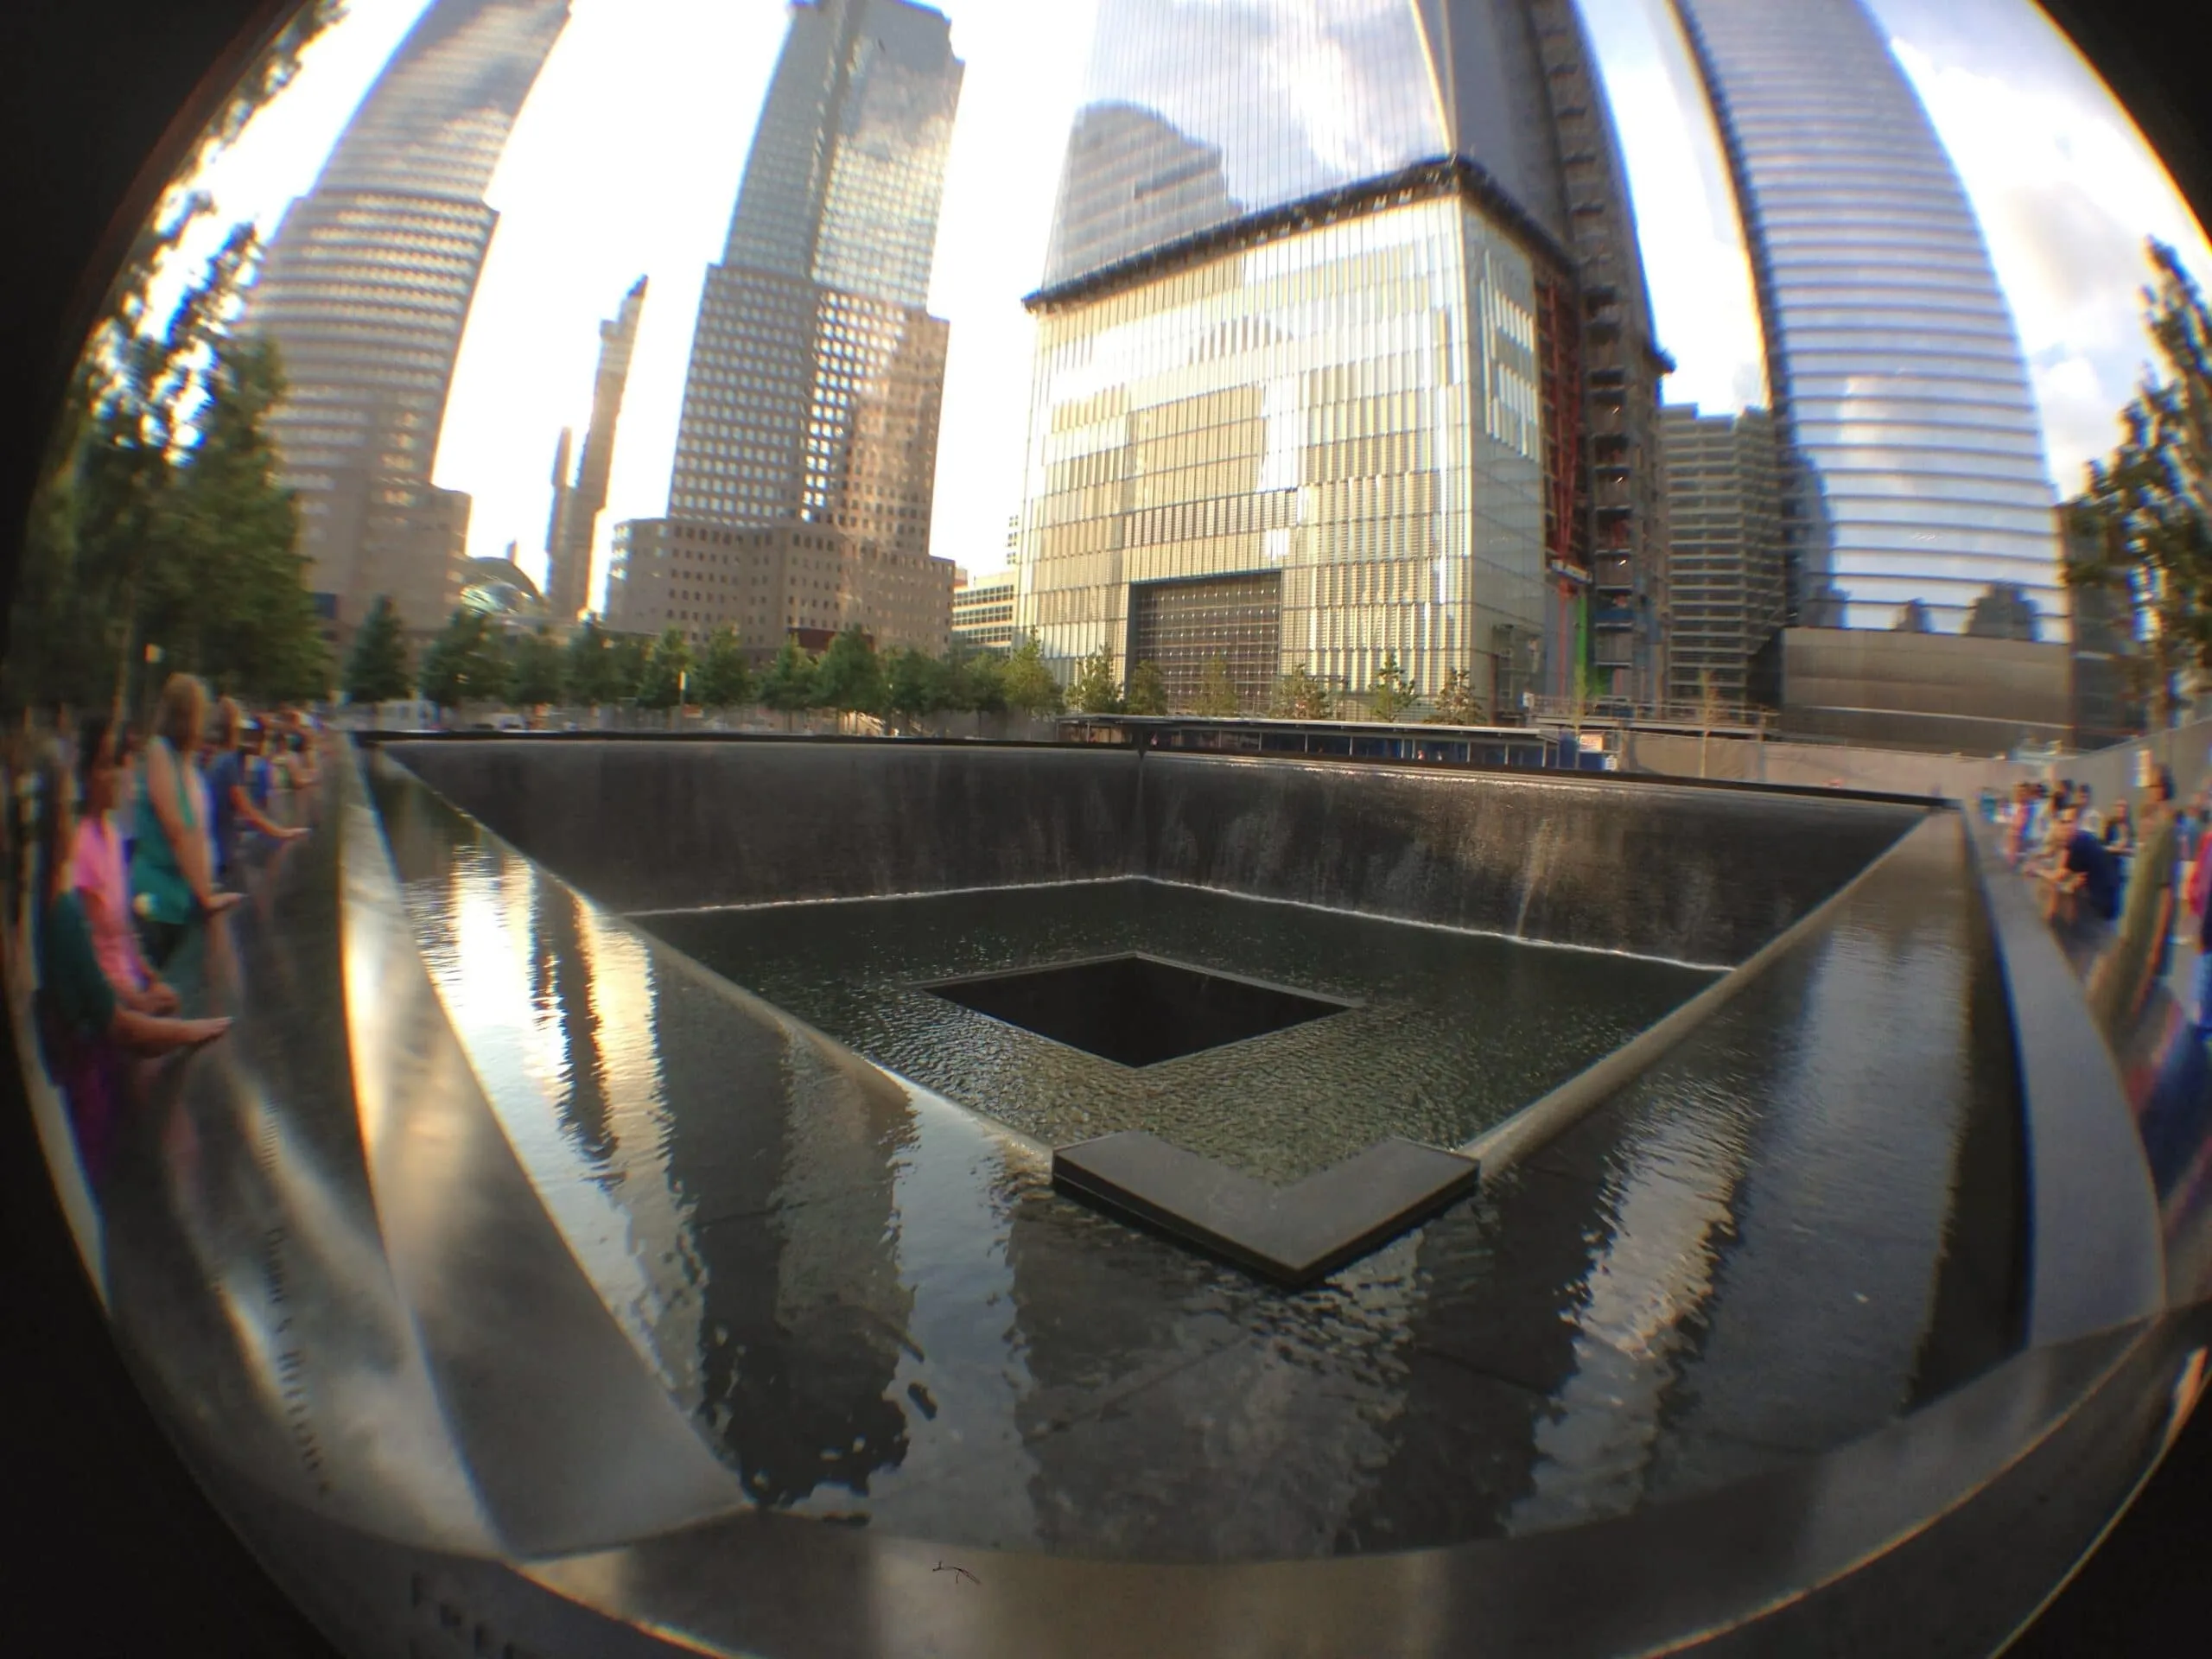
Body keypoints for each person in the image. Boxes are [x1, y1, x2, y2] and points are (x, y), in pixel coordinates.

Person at [32, 761, 232, 1187]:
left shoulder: (42, 911)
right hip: (90, 1084)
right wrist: (191, 1031)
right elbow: (121, 1027)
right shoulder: (62, 914)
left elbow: (122, 929)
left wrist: (148, 976)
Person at [71, 715, 180, 1016]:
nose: (118, 775)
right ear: (87, 777)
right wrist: (136, 1001)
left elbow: (125, 929)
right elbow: (89, 957)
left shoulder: (113, 835)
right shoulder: (81, 851)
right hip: (111, 1007)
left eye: (118, 764)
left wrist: (150, 975)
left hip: (133, 989)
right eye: (107, 765)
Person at [130, 673, 237, 967]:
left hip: (182, 895)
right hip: (158, 898)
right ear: (188, 713)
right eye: (202, 712)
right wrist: (206, 896)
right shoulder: (159, 751)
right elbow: (178, 829)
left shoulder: (185, 758)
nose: (207, 722)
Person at [2089, 760, 2180, 1039]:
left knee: (2136, 997)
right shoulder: (2153, 830)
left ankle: (2125, 1040)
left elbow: (2166, 892)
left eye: (2151, 785)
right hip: (2132, 928)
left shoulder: (2168, 833)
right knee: (2121, 990)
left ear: (2161, 789)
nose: (2147, 791)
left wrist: (2155, 945)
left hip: (2145, 933)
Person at [204, 697, 307, 881]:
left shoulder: (214, 758)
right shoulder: (228, 761)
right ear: (234, 730)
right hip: (220, 853)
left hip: (212, 849)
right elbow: (248, 811)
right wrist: (282, 833)